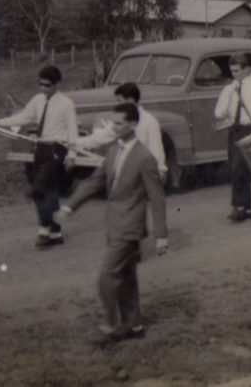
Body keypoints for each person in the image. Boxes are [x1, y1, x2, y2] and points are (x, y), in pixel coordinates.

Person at [54, 102, 168, 343]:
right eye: (113, 123)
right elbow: (94, 182)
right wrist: (69, 206)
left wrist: (161, 235)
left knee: (106, 276)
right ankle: (135, 326)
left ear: (133, 124)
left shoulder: (145, 158)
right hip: (114, 225)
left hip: (130, 228)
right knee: (126, 277)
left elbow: (157, 198)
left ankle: (112, 325)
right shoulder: (113, 151)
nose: (114, 128)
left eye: (119, 123)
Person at [0, 65, 78, 248]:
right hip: (41, 147)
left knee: (39, 187)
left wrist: (73, 154)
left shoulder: (67, 104)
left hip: (57, 148)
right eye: (40, 84)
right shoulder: (37, 100)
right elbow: (24, 117)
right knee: (48, 190)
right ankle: (56, 233)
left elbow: (72, 131)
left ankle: (44, 231)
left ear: (57, 84)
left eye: (48, 85)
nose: (43, 88)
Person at [214, 53, 251, 222]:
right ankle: (246, 208)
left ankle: (239, 206)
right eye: (232, 71)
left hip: (250, 128)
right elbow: (219, 113)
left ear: (247, 69)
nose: (234, 74)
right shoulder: (230, 88)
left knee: (239, 167)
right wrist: (229, 92)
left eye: (236, 71)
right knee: (239, 169)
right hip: (235, 129)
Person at [75, 82, 167, 181]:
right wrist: (75, 143)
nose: (117, 104)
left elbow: (156, 150)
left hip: (142, 171)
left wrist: (160, 171)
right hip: (124, 169)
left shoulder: (150, 121)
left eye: (119, 101)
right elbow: (101, 137)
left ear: (130, 100)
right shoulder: (120, 119)